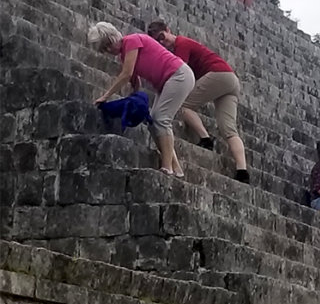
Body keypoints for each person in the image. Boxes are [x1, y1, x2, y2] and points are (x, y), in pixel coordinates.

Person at [147, 21, 249, 183]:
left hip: (218, 74)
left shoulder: (181, 44)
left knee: (184, 105)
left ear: (168, 30)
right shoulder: (183, 44)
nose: (162, 42)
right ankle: (242, 171)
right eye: (158, 41)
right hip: (231, 80)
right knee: (229, 129)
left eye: (162, 37)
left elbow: (178, 72)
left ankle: (205, 138)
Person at [88, 22, 194, 177]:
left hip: (178, 75)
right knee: (153, 122)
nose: (109, 50)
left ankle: (167, 167)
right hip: (167, 82)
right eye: (104, 49)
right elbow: (135, 81)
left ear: (114, 36)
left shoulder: (132, 40)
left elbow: (126, 74)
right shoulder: (125, 55)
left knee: (162, 119)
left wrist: (106, 96)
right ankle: (176, 167)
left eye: (109, 44)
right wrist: (134, 100)